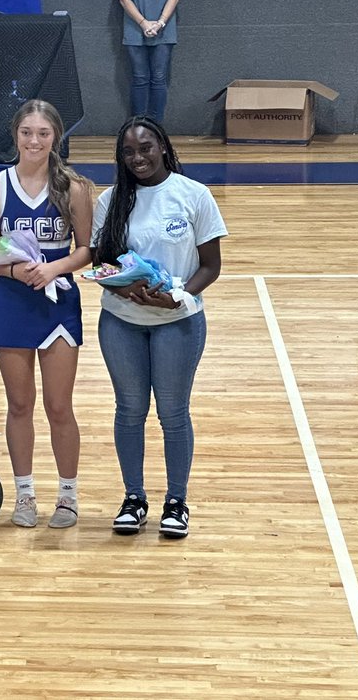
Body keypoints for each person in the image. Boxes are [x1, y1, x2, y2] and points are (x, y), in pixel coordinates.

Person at [91, 116, 227, 540]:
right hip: (122, 321)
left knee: (173, 413)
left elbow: (211, 266)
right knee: (129, 411)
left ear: (163, 147)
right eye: (129, 152)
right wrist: (126, 287)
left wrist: (179, 294)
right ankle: (133, 499)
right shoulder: (109, 201)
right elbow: (100, 263)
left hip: (179, 322)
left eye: (146, 148)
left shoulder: (194, 195)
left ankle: (176, 502)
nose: (138, 158)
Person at [0, 100, 94, 529]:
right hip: (12, 301)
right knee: (19, 404)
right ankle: (24, 495)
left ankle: (68, 495)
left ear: (55, 136)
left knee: (59, 406)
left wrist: (53, 268)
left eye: (43, 133)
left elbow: (85, 249)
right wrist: (12, 269)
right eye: (27, 132)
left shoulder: (74, 188)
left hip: (58, 302)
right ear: (15, 135)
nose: (34, 140)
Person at [117, 0, 184, 122]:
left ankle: (156, 125)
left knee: (159, 79)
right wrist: (143, 23)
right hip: (135, 31)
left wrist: (160, 22)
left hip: (164, 32)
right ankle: (138, 124)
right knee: (139, 78)